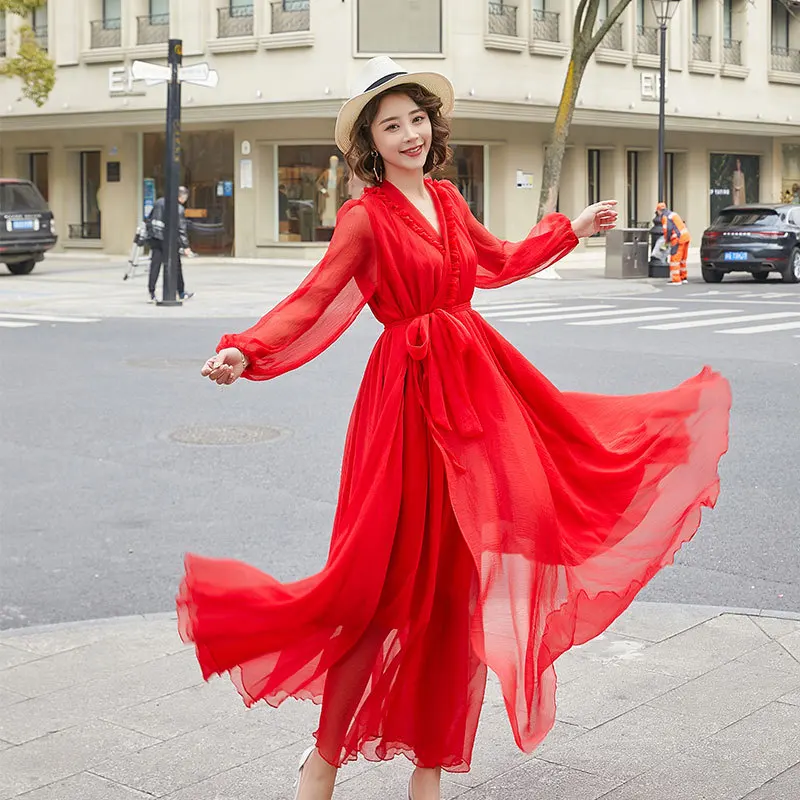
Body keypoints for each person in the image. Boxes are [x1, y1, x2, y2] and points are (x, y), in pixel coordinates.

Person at [178, 56, 731, 800]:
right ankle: (324, 760)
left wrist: (570, 228)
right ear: (371, 143)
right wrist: (248, 348)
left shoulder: (446, 196)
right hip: (405, 406)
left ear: (430, 129)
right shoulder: (365, 218)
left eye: (415, 120)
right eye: (390, 125)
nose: (408, 133)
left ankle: (429, 771)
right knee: (374, 591)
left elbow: (497, 261)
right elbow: (316, 298)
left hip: (477, 395)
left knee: (455, 589)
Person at [147, 185, 194, 302]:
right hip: (170, 241)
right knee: (176, 266)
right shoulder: (178, 208)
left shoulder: (159, 202)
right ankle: (181, 292)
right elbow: (181, 229)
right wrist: (186, 246)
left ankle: (152, 292)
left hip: (155, 238)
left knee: (155, 266)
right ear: (182, 197)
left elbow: (149, 218)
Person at [656, 201, 691, 285]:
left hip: (678, 239)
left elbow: (667, 230)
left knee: (675, 259)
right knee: (682, 259)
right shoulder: (673, 214)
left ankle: (676, 280)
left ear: (658, 210)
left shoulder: (665, 217)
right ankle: (683, 277)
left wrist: (666, 241)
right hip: (686, 237)